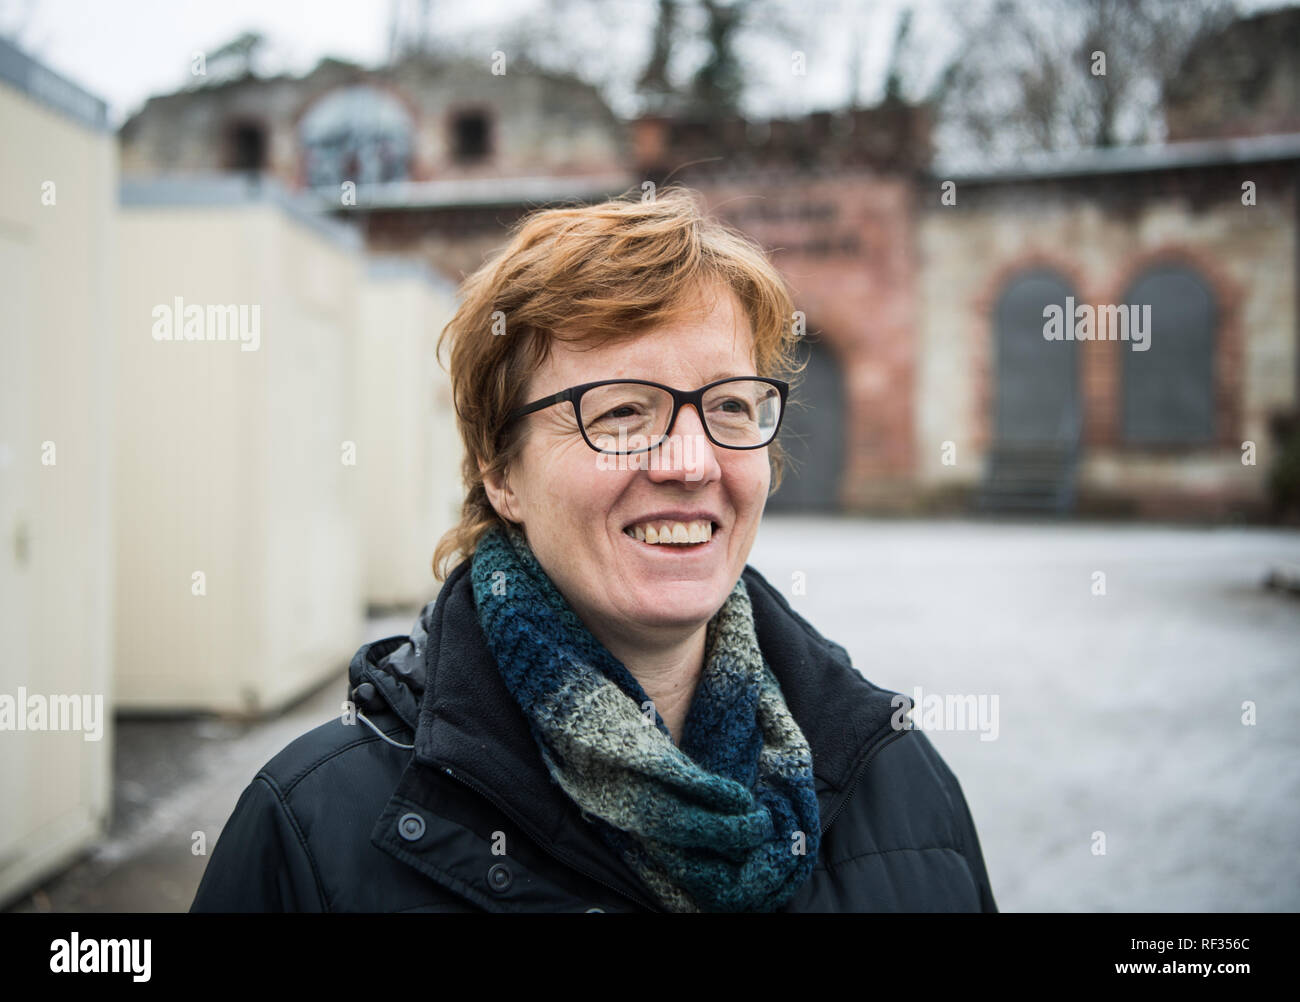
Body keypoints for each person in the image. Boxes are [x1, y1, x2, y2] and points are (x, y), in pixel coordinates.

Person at [190, 186, 997, 913]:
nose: (690, 463)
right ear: (501, 472)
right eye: (619, 413)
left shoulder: (895, 782)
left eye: (728, 407)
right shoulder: (314, 828)